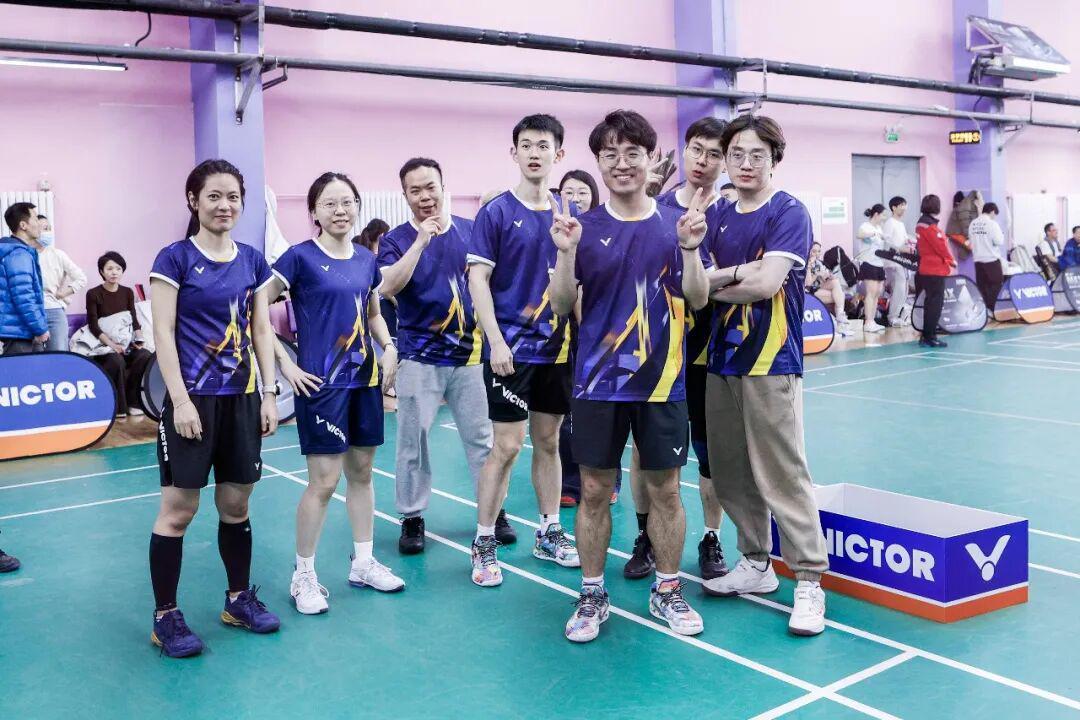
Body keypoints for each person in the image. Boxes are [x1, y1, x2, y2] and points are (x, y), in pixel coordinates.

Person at [549, 109, 710, 642]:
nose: (621, 163)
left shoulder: (675, 224)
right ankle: (593, 593)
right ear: (598, 162)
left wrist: (691, 250)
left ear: (649, 159)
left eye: (632, 153)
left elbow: (698, 297)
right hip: (597, 383)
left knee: (666, 489)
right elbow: (561, 305)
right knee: (595, 489)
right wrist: (566, 255)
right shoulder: (581, 228)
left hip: (663, 382)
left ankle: (667, 590)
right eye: (610, 154)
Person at [699, 113, 830, 637]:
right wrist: (733, 273)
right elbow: (692, 285)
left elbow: (766, 283)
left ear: (775, 159)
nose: (746, 163)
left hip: (771, 360)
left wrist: (717, 281)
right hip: (720, 359)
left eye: (757, 154)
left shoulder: (788, 212)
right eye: (737, 154)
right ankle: (756, 562)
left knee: (782, 472)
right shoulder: (716, 213)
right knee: (729, 471)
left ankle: (808, 580)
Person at [146, 159, 281, 659]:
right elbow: (163, 333)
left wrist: (269, 392)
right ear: (194, 201)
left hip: (242, 398)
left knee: (236, 505)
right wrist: (180, 400)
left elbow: (261, 329)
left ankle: (238, 600)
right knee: (179, 510)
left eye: (233, 197)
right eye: (214, 196)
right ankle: (165, 617)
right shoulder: (175, 258)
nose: (225, 205)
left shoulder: (252, 261)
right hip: (193, 400)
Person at [266, 173, 404, 615]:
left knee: (362, 473)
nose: (340, 210)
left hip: (364, 382)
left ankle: (363, 563)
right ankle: (303, 574)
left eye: (347, 202)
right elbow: (254, 307)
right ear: (314, 212)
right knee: (324, 482)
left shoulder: (366, 259)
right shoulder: (299, 258)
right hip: (321, 385)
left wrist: (389, 346)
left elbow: (373, 312)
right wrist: (286, 364)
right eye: (329, 203)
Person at [466, 114, 580, 587]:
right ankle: (484, 541)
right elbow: (478, 279)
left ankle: (549, 531)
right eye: (527, 145)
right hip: (510, 351)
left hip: (557, 350)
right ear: (514, 153)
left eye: (544, 145)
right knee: (508, 446)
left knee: (549, 442)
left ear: (559, 154)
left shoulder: (567, 215)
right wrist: (494, 340)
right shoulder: (495, 213)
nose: (535, 153)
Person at [378, 158, 494, 554]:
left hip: (471, 355)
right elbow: (388, 287)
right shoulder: (395, 240)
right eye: (416, 190)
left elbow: (491, 283)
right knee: (413, 441)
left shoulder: (472, 231)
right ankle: (412, 517)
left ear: (444, 187)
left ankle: (492, 513)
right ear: (405, 195)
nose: (425, 196)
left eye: (431, 187)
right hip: (419, 356)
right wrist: (420, 242)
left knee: (482, 441)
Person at [640, 115, 732, 582]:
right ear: (685, 149)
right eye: (697, 149)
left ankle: (711, 537)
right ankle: (645, 537)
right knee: (646, 453)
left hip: (709, 353)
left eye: (715, 154)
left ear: (725, 161)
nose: (703, 160)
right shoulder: (654, 208)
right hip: (657, 350)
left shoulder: (730, 215)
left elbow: (728, 282)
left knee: (711, 453)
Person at [84, 252, 153, 418]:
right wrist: (112, 345)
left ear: (122, 271)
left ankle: (134, 403)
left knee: (144, 355)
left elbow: (134, 320)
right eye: (109, 269)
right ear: (101, 271)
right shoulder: (93, 294)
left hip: (126, 343)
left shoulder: (127, 292)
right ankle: (118, 407)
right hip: (103, 346)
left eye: (118, 268)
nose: (114, 272)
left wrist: (139, 340)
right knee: (116, 360)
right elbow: (94, 326)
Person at [0, 202, 49, 355]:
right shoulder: (18, 254)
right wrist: (40, 329)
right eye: (35, 218)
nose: (39, 224)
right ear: (23, 225)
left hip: (19, 330)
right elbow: (24, 297)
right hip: (18, 333)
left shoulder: (16, 251)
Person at [35, 215, 87, 352]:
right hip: (32, 312)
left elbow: (81, 278)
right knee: (35, 355)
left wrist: (63, 293)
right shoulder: (26, 255)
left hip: (54, 311)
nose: (48, 232)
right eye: (44, 228)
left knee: (58, 353)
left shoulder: (57, 254)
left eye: (49, 228)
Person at [915, 194, 954, 348]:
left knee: (930, 303)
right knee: (935, 305)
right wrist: (951, 260)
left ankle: (926, 335)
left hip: (926, 268)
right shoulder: (930, 226)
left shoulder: (921, 224)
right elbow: (941, 247)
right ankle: (929, 337)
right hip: (935, 270)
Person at [805, 241, 851, 336]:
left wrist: (829, 276)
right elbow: (808, 284)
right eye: (814, 251)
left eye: (818, 251)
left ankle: (840, 316)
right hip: (808, 291)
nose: (816, 254)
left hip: (818, 288)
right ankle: (839, 324)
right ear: (808, 251)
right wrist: (816, 274)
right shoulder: (804, 263)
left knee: (835, 282)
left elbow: (825, 279)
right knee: (840, 296)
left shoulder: (819, 263)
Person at [856, 203, 888, 333]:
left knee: (877, 292)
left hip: (879, 263)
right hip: (868, 263)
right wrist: (874, 233)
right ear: (876, 214)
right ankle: (867, 322)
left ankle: (872, 321)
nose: (885, 217)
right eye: (883, 215)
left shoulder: (880, 228)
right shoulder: (865, 226)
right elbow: (860, 234)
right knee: (871, 292)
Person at [881, 196, 912, 327]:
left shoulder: (901, 224)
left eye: (905, 205)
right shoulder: (890, 223)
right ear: (894, 208)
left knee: (904, 289)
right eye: (901, 205)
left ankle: (899, 315)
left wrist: (911, 243)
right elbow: (886, 242)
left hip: (902, 261)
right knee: (899, 289)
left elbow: (905, 240)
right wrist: (900, 248)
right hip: (892, 262)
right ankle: (892, 317)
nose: (904, 208)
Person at [968, 203, 1006, 308]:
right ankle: (993, 309)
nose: (994, 217)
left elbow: (971, 240)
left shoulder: (973, 224)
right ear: (992, 211)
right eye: (994, 215)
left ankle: (985, 311)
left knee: (982, 287)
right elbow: (999, 241)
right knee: (995, 286)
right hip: (991, 260)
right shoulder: (992, 224)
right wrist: (1001, 234)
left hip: (978, 261)